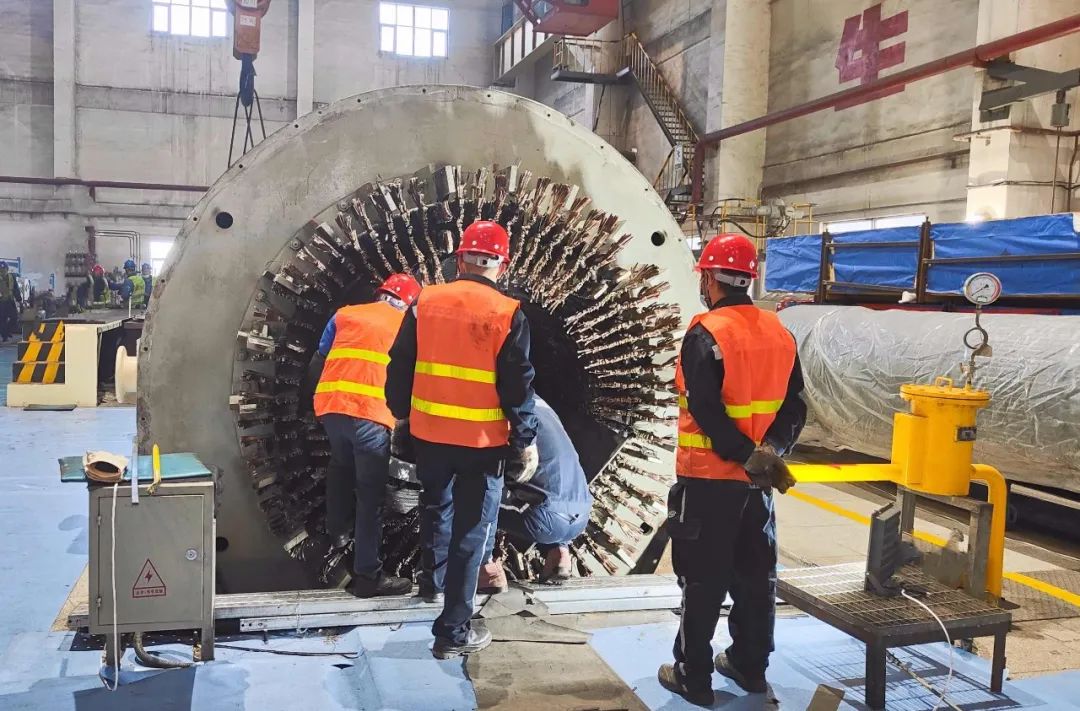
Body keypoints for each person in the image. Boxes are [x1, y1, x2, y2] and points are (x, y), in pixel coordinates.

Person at [657, 233, 806, 706]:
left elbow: (705, 409)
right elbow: (794, 407)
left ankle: (693, 676)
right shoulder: (779, 332)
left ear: (709, 278)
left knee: (702, 579)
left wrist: (743, 453)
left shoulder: (707, 333)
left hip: (708, 480)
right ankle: (750, 666)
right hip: (756, 485)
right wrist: (769, 453)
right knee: (756, 577)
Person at [386, 220, 539, 660]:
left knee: (437, 507)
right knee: (473, 531)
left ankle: (432, 584)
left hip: (431, 436)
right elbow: (518, 385)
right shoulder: (508, 313)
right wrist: (524, 438)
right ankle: (453, 630)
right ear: (502, 265)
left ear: (459, 259)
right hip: (481, 444)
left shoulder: (425, 302)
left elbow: (400, 364)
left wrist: (401, 416)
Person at [315, 273, 422, 598]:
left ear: (380, 293)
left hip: (331, 408)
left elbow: (322, 354)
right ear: (409, 303)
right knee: (370, 496)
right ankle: (368, 576)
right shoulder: (406, 325)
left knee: (340, 466)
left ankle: (338, 533)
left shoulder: (345, 314)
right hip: (370, 415)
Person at [478, 396, 593, 592]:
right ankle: (561, 554)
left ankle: (487, 569)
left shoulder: (503, 404)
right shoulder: (541, 406)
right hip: (581, 517)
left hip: (545, 518)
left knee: (478, 494)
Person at [0, 262, 24, 342]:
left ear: (7, 269)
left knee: (15, 318)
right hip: (1, 302)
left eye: (4, 269)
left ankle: (7, 331)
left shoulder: (12, 277)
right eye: (1, 270)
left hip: (10, 301)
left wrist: (19, 301)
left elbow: (16, 289)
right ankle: (5, 336)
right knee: (2, 319)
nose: (3, 271)